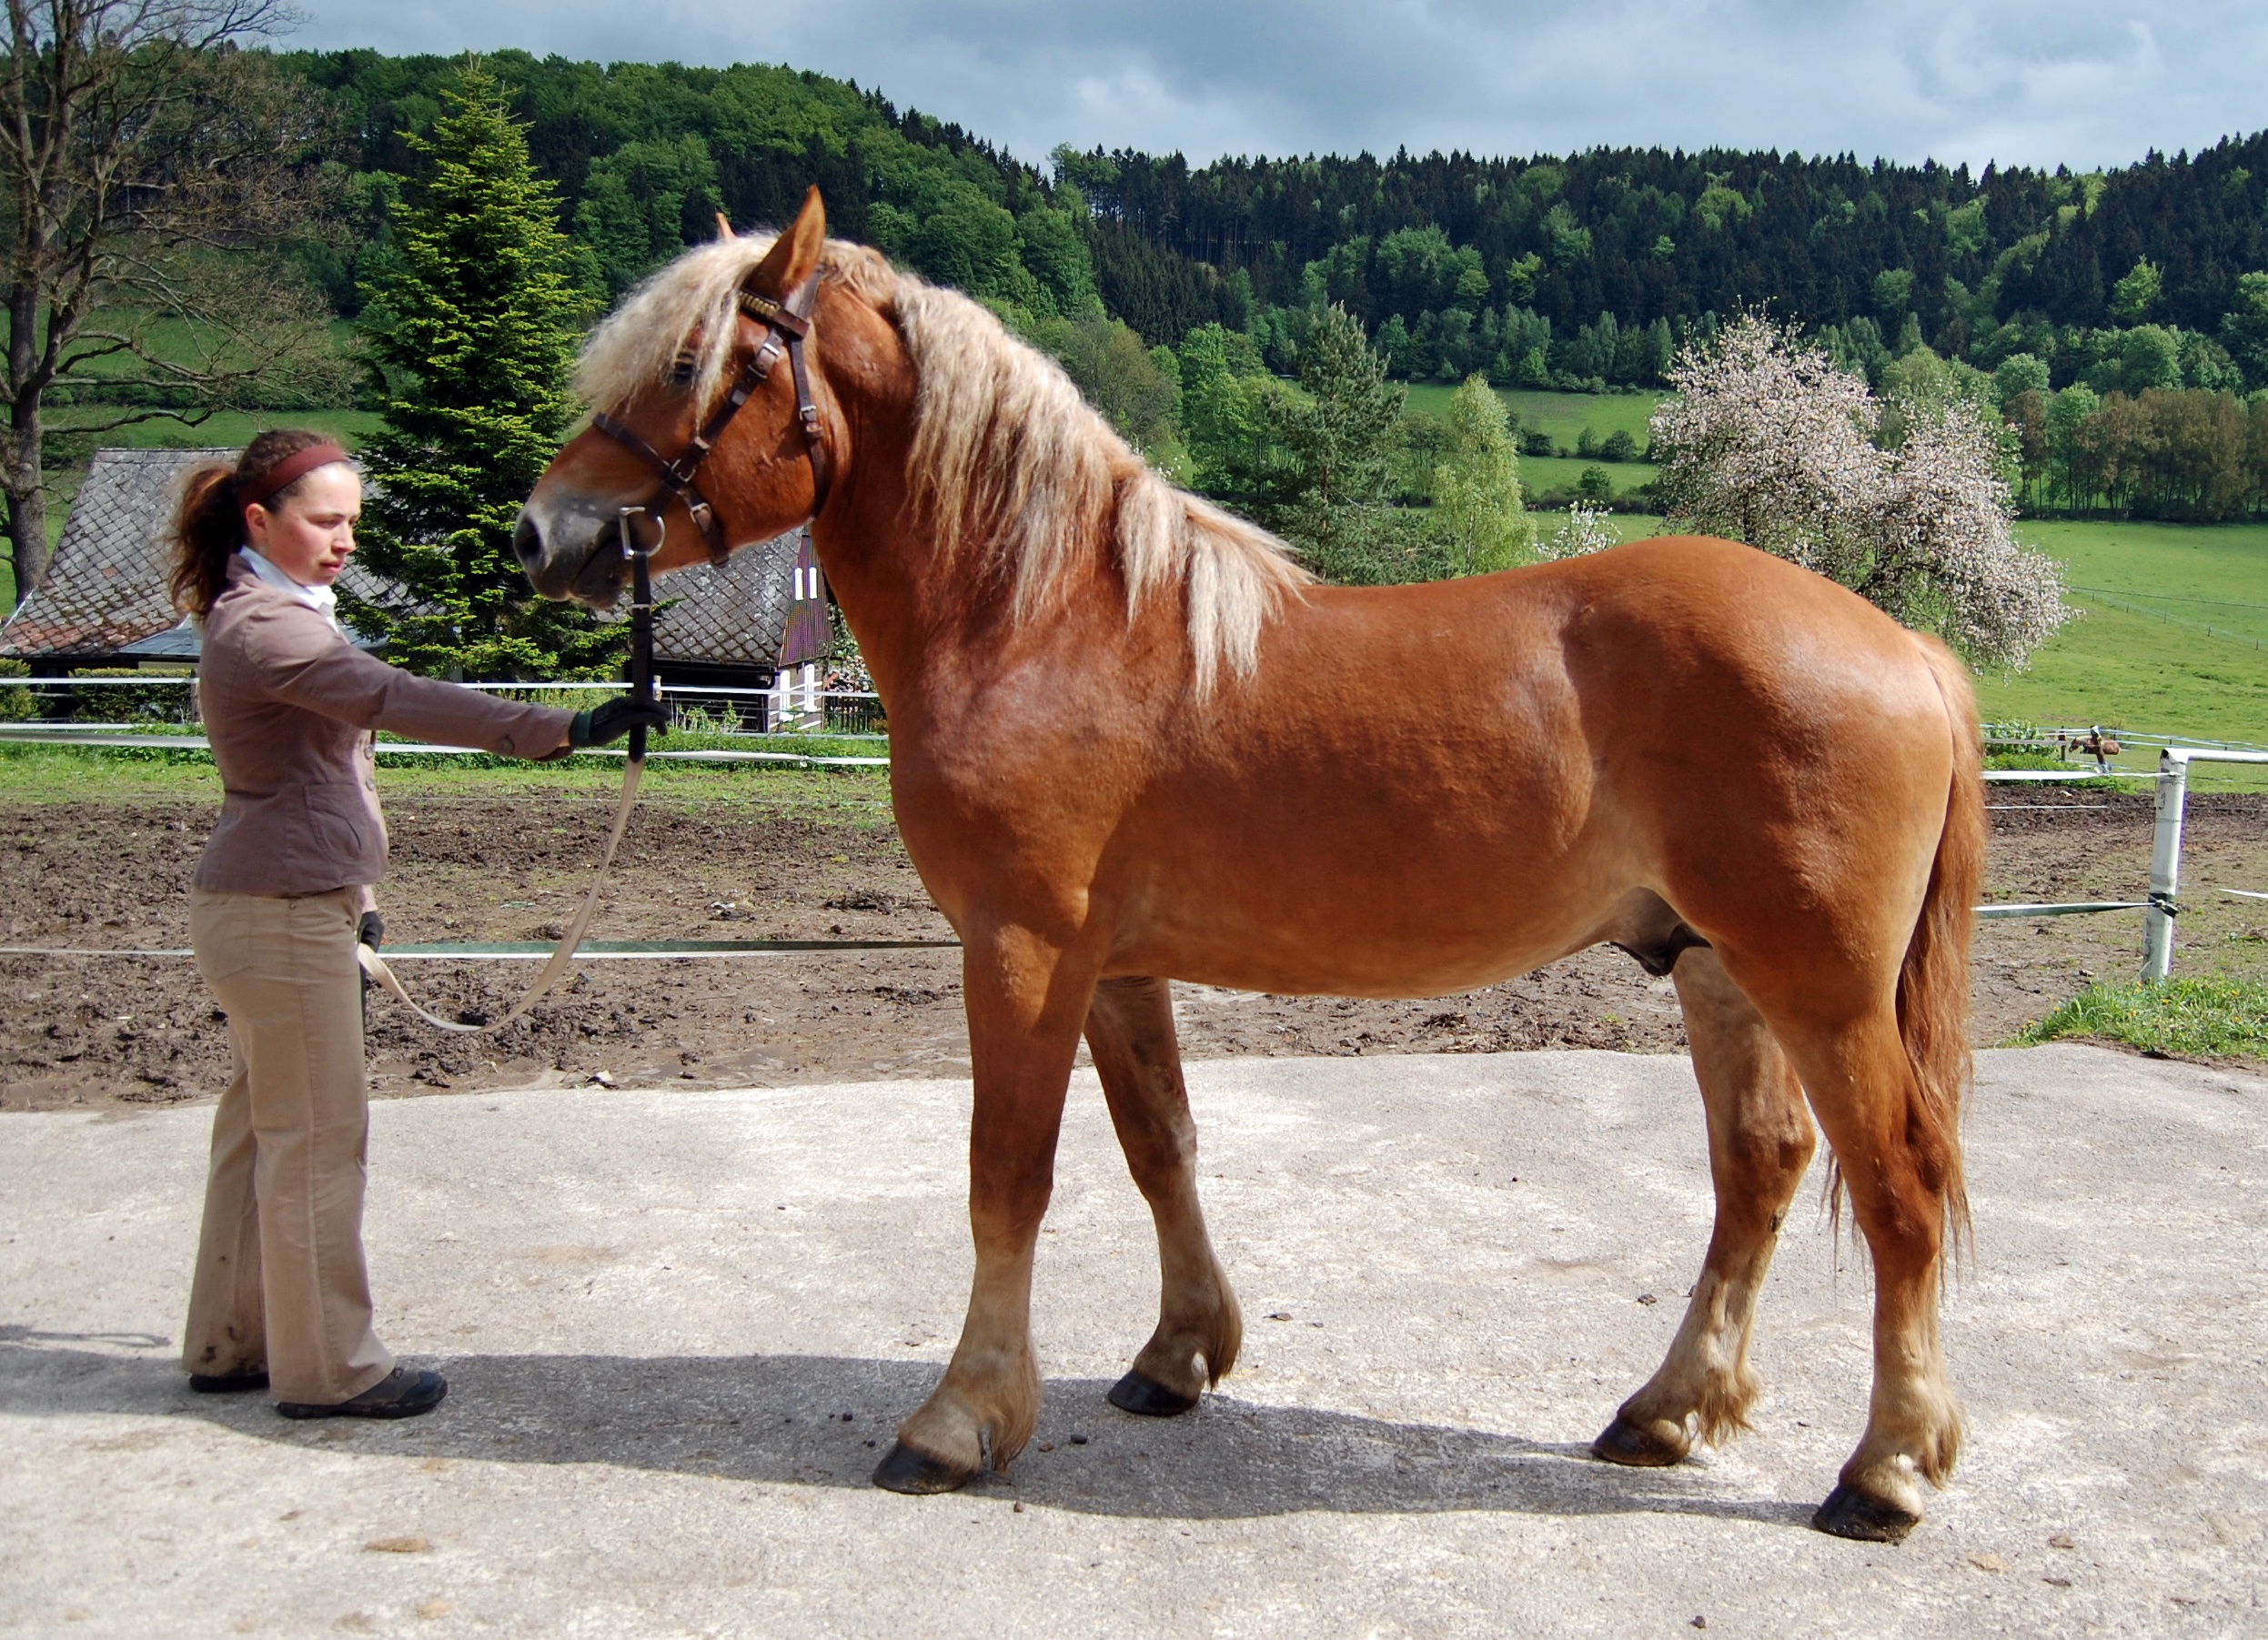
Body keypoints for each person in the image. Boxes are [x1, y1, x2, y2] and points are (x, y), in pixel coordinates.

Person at [170, 429, 666, 1419]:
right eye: (324, 521)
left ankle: (231, 1342)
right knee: (316, 1142)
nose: (344, 539)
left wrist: (360, 907)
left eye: (352, 520)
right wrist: (563, 727)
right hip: (279, 917)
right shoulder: (272, 630)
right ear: (259, 522)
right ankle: (330, 1370)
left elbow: (329, 770)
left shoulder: (268, 612)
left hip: (280, 908)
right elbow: (393, 699)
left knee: (261, 1135)